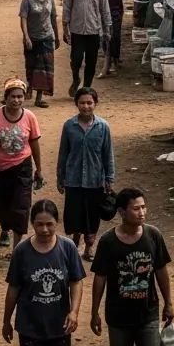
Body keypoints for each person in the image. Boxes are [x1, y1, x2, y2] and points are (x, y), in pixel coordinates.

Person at [90, 188, 174, 346]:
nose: (142, 212)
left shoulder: (153, 236)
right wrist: (94, 311)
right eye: (136, 208)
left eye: (144, 207)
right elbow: (100, 278)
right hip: (117, 316)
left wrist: (168, 303)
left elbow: (160, 270)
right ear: (122, 212)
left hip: (148, 313)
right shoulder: (108, 242)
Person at [3, 198, 84, 346]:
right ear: (32, 224)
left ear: (56, 223)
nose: (45, 229)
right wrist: (6, 320)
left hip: (59, 325)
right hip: (30, 326)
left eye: (49, 224)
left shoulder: (67, 248)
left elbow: (76, 281)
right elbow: (14, 287)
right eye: (39, 224)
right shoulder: (22, 251)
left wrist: (74, 312)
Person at [0, 79, 44, 250]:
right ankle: (4, 228)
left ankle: (17, 247)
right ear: (6, 97)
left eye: (20, 97)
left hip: (22, 165)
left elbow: (34, 143)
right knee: (0, 202)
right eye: (13, 97)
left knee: (21, 205)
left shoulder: (30, 117)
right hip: (0, 167)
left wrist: (39, 169)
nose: (16, 100)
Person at [57, 88, 115, 259]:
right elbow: (63, 153)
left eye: (89, 102)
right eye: (82, 102)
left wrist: (109, 178)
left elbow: (107, 154)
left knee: (92, 216)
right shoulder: (69, 126)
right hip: (73, 180)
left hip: (95, 180)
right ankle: (74, 243)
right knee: (74, 215)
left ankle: (89, 247)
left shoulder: (103, 127)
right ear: (76, 104)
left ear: (95, 104)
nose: (86, 106)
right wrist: (60, 177)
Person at [63, 0, 111, 95]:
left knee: (91, 61)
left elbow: (104, 8)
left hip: (94, 31)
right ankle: (76, 78)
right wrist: (65, 29)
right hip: (77, 30)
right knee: (76, 60)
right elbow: (66, 8)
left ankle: (86, 89)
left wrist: (107, 29)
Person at [20, 0, 59, 106]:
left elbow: (53, 18)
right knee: (31, 67)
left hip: (47, 38)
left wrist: (57, 37)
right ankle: (30, 87)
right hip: (32, 39)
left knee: (44, 69)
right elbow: (23, 19)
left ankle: (39, 98)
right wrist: (26, 37)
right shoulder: (27, 0)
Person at [100, 0, 135, 77]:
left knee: (105, 35)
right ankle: (114, 60)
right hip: (116, 10)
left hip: (102, 10)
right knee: (115, 36)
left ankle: (108, 58)